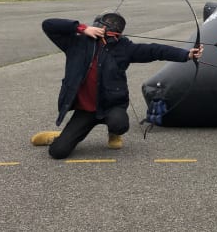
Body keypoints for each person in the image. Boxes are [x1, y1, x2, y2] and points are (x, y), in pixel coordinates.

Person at [31, 13, 203, 159]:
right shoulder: (76, 42)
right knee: (58, 152)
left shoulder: (124, 47)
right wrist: (81, 28)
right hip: (86, 110)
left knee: (119, 124)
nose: (110, 33)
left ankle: (113, 132)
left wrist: (186, 54)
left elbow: (154, 50)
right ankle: (56, 137)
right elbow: (49, 25)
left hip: (111, 106)